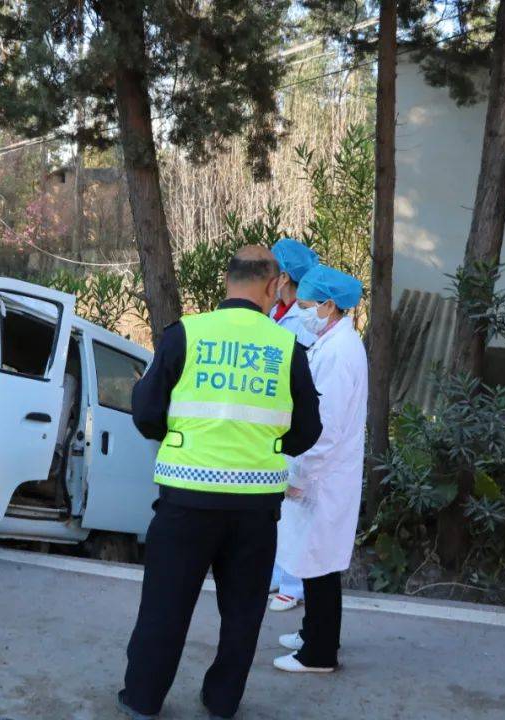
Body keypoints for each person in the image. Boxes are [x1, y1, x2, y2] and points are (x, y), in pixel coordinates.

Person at [117, 245, 322, 720]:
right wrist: (266, 447)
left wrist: (184, 439)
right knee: (243, 615)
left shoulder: (186, 334)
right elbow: (308, 429)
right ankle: (222, 701)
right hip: (254, 509)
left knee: (165, 607)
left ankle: (143, 700)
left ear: (227, 281)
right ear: (272, 287)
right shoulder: (287, 347)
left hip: (186, 501)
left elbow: (146, 412)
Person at [271, 264, 367, 674]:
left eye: (308, 305)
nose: (303, 310)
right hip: (325, 475)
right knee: (315, 560)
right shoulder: (333, 343)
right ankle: (314, 634)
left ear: (329, 305)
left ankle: (319, 653)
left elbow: (325, 431)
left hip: (324, 477)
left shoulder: (339, 353)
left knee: (321, 564)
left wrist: (299, 476)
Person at [268, 237, 319, 612]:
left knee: (296, 504)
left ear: (284, 276)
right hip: (274, 422)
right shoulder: (277, 313)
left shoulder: (302, 320)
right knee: (277, 505)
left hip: (294, 420)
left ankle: (293, 583)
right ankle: (276, 576)